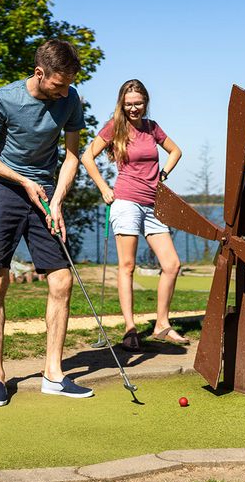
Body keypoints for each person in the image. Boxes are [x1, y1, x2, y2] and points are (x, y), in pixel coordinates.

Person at [0, 39, 93, 407]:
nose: (64, 92)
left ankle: (53, 374)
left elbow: (72, 157)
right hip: (5, 190)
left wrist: (57, 200)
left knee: (62, 279)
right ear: (39, 73)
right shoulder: (4, 98)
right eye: (58, 84)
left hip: (46, 194)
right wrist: (22, 181)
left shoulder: (70, 99)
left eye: (69, 84)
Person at [80, 79, 187, 351]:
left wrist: (163, 175)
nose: (133, 108)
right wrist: (104, 187)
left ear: (145, 102)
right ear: (121, 104)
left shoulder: (152, 128)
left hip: (153, 204)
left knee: (172, 264)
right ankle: (130, 329)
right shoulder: (115, 127)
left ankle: (161, 325)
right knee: (127, 266)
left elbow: (176, 151)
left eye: (138, 103)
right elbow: (86, 157)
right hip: (126, 201)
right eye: (128, 104)